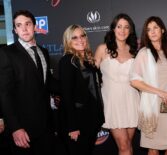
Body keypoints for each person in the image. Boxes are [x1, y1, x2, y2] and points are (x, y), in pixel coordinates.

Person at [0, 10, 58, 155]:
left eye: (27, 24)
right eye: (19, 25)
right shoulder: (7, 53)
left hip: (46, 127)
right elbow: (5, 94)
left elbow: (47, 83)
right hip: (23, 130)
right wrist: (15, 128)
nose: (24, 29)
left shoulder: (43, 51)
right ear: (15, 30)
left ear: (35, 26)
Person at [130, 16, 167, 155]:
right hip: (152, 106)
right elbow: (134, 81)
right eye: (149, 29)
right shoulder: (143, 53)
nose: (152, 32)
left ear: (162, 30)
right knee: (153, 147)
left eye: (155, 27)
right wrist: (160, 92)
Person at [95, 13, 140, 155]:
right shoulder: (102, 49)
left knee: (128, 146)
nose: (122, 30)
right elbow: (90, 76)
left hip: (132, 102)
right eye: (119, 26)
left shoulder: (134, 51)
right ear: (113, 29)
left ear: (130, 30)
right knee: (124, 146)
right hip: (112, 104)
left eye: (126, 27)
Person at [58, 24, 105, 155]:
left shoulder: (87, 60)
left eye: (82, 36)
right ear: (68, 41)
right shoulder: (68, 61)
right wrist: (72, 126)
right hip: (78, 122)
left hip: (92, 119)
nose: (80, 40)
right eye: (74, 38)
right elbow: (66, 95)